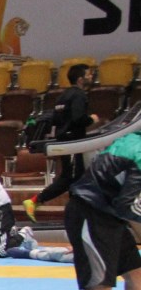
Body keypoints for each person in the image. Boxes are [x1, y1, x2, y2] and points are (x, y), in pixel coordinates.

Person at [23, 145, 141, 290]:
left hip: (108, 214)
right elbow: (128, 207)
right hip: (93, 214)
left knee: (136, 276)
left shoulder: (130, 140)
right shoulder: (139, 155)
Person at [26, 63, 100, 219]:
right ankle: (35, 201)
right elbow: (78, 119)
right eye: (88, 74)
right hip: (73, 143)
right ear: (80, 79)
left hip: (64, 139)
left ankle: (77, 212)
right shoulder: (79, 95)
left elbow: (57, 119)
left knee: (76, 177)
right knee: (70, 177)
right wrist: (91, 119)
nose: (91, 76)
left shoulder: (63, 96)